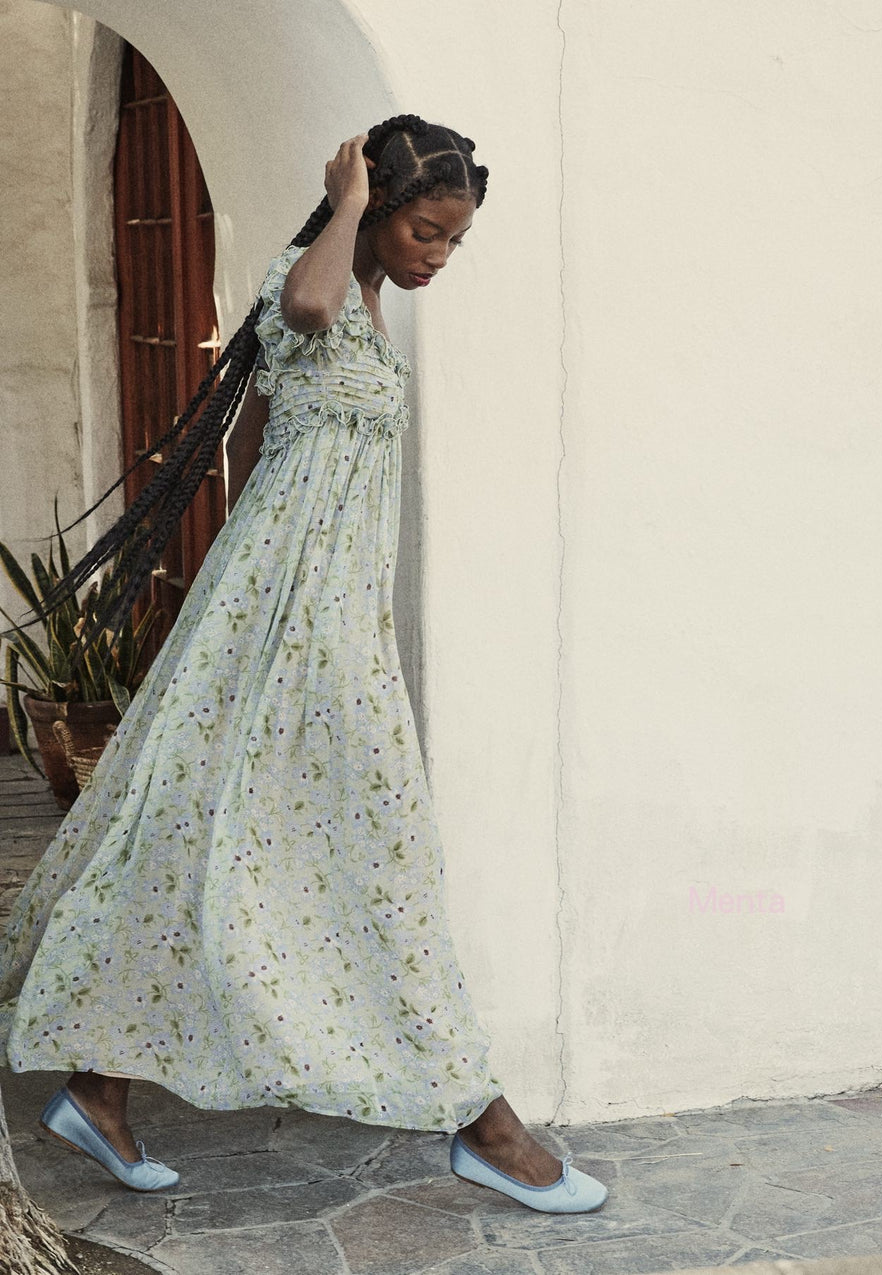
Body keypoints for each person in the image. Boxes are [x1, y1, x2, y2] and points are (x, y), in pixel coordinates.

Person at [0, 115, 605, 1214]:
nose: (435, 255)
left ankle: (100, 1089)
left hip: (325, 623)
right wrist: (340, 201)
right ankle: (483, 1124)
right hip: (281, 620)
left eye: (453, 242)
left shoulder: (371, 305)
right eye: (425, 229)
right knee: (356, 850)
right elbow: (308, 305)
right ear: (374, 206)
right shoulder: (317, 279)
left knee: (214, 842)